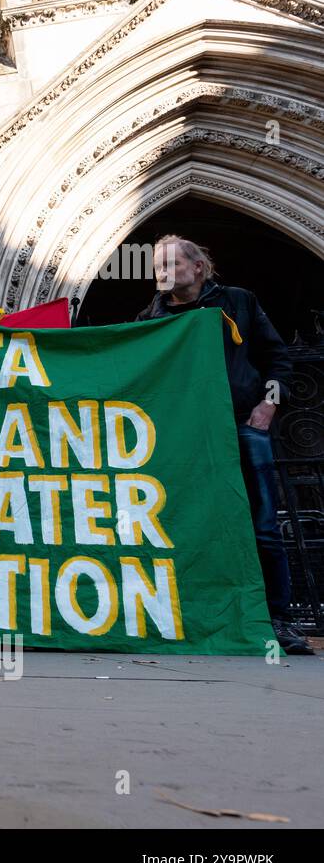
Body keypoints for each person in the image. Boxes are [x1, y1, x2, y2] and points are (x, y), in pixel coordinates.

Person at [135, 235, 310, 655]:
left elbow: (277, 357)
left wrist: (269, 403)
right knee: (184, 524)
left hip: (243, 426)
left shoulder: (239, 302)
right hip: (184, 437)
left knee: (263, 527)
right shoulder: (149, 317)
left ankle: (278, 621)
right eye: (157, 266)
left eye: (173, 264)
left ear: (198, 268)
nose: (163, 273)